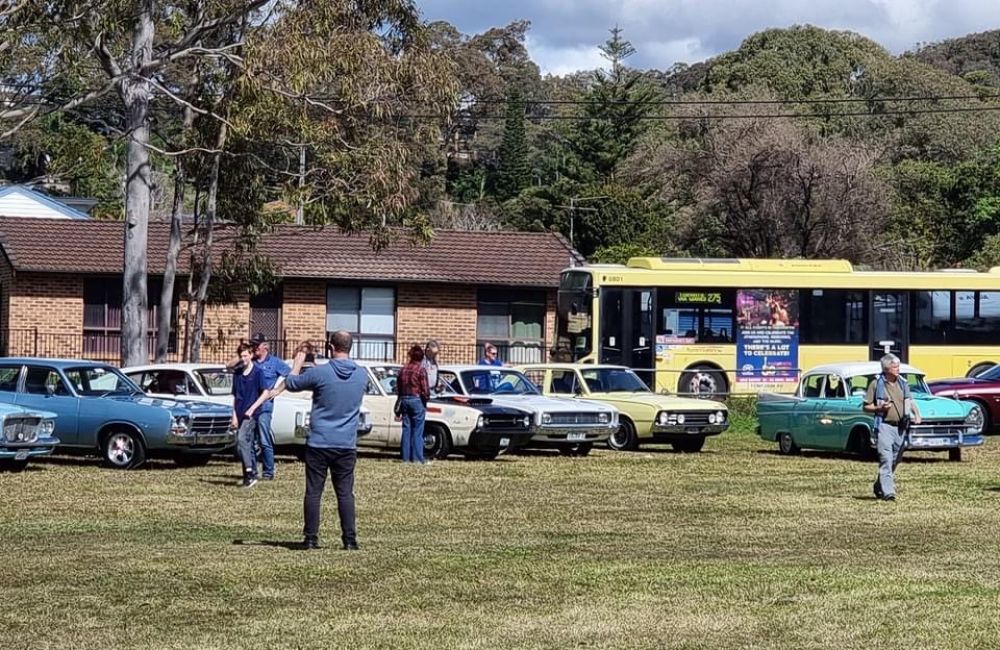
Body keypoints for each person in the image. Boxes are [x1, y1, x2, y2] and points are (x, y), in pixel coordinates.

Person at [270, 332, 367, 550]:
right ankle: (349, 539)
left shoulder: (321, 373)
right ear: (350, 347)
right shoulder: (361, 375)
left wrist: (296, 364)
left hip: (320, 442)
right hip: (346, 444)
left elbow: (292, 383)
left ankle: (311, 538)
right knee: (345, 493)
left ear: (331, 347)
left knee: (314, 491)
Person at [228, 333, 290, 481]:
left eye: (257, 344)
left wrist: (278, 390)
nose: (255, 347)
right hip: (248, 407)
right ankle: (252, 472)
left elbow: (291, 375)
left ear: (265, 346)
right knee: (249, 440)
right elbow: (229, 365)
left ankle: (268, 472)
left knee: (264, 439)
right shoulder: (250, 361)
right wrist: (243, 353)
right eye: (253, 344)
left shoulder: (275, 362)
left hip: (265, 406)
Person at [863, 353, 922, 501]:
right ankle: (889, 493)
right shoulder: (876, 384)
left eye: (898, 366)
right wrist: (879, 408)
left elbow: (909, 400)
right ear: (886, 368)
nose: (897, 369)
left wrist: (917, 414)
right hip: (884, 426)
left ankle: (880, 485)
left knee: (895, 460)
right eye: (894, 367)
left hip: (901, 427)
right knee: (886, 459)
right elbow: (866, 407)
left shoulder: (903, 382)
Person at [232, 343, 270, 488]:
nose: (243, 359)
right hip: (240, 412)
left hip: (252, 414)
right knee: (244, 445)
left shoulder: (258, 372)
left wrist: (253, 408)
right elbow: (235, 396)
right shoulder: (238, 373)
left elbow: (265, 392)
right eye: (241, 356)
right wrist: (234, 415)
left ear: (251, 355)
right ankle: (249, 474)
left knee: (242, 438)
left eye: (246, 355)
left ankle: (250, 473)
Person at [398, 345, 430, 464]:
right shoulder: (421, 370)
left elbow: (399, 388)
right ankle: (417, 458)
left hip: (404, 399)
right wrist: (426, 398)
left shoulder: (403, 369)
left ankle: (405, 458)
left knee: (406, 429)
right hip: (417, 400)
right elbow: (425, 390)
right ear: (421, 357)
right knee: (418, 430)